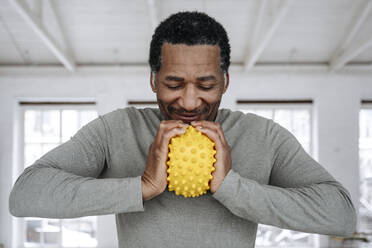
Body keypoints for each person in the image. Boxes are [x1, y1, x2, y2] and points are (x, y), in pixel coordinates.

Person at [9, 11, 356, 247]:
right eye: (174, 84)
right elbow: (25, 195)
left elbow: (339, 214)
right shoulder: (116, 129)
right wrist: (142, 186)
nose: (189, 103)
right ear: (153, 81)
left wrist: (230, 186)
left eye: (205, 85)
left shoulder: (264, 136)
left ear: (225, 82)